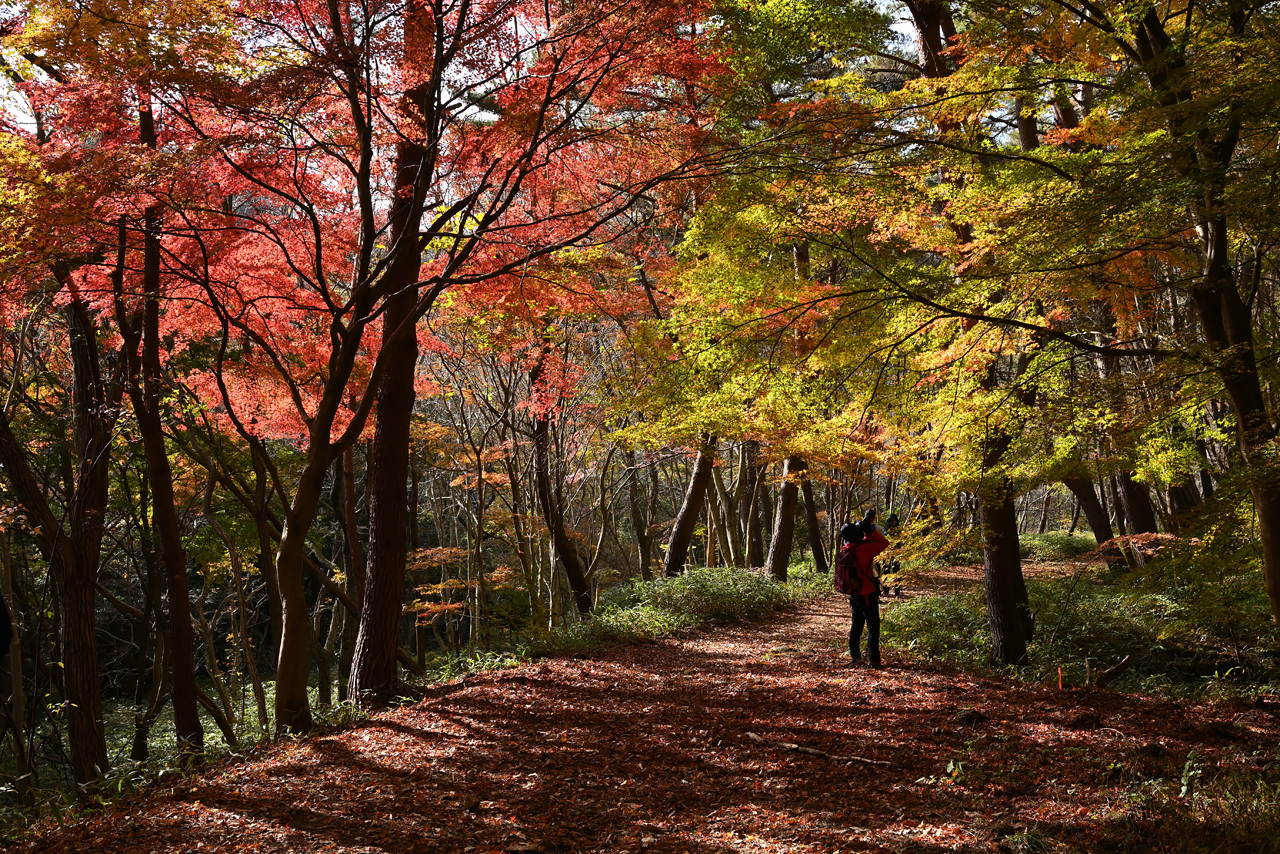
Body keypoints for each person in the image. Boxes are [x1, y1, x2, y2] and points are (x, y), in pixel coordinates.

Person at [833, 518, 889, 667]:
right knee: (872, 626)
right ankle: (874, 660)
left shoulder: (847, 549)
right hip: (866, 593)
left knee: (857, 624)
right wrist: (870, 531)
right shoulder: (863, 550)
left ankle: (855, 655)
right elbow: (884, 543)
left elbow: (860, 541)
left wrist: (863, 534)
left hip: (853, 593)